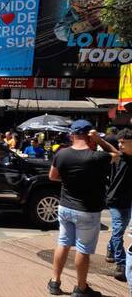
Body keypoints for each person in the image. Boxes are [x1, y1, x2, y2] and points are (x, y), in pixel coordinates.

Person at [47, 120, 120, 297]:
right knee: (83, 249)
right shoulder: (97, 156)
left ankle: (55, 282)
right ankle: (81, 288)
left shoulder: (62, 154)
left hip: (65, 207)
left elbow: (52, 176)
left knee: (63, 243)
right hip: (87, 210)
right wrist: (100, 141)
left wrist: (70, 180)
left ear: (72, 134)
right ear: (89, 135)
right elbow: (116, 154)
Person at [105, 128, 132, 282]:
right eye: (119, 142)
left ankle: (110, 248)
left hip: (127, 201)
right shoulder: (116, 158)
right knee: (118, 229)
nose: (120, 145)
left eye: (124, 142)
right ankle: (121, 264)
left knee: (120, 229)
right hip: (114, 200)